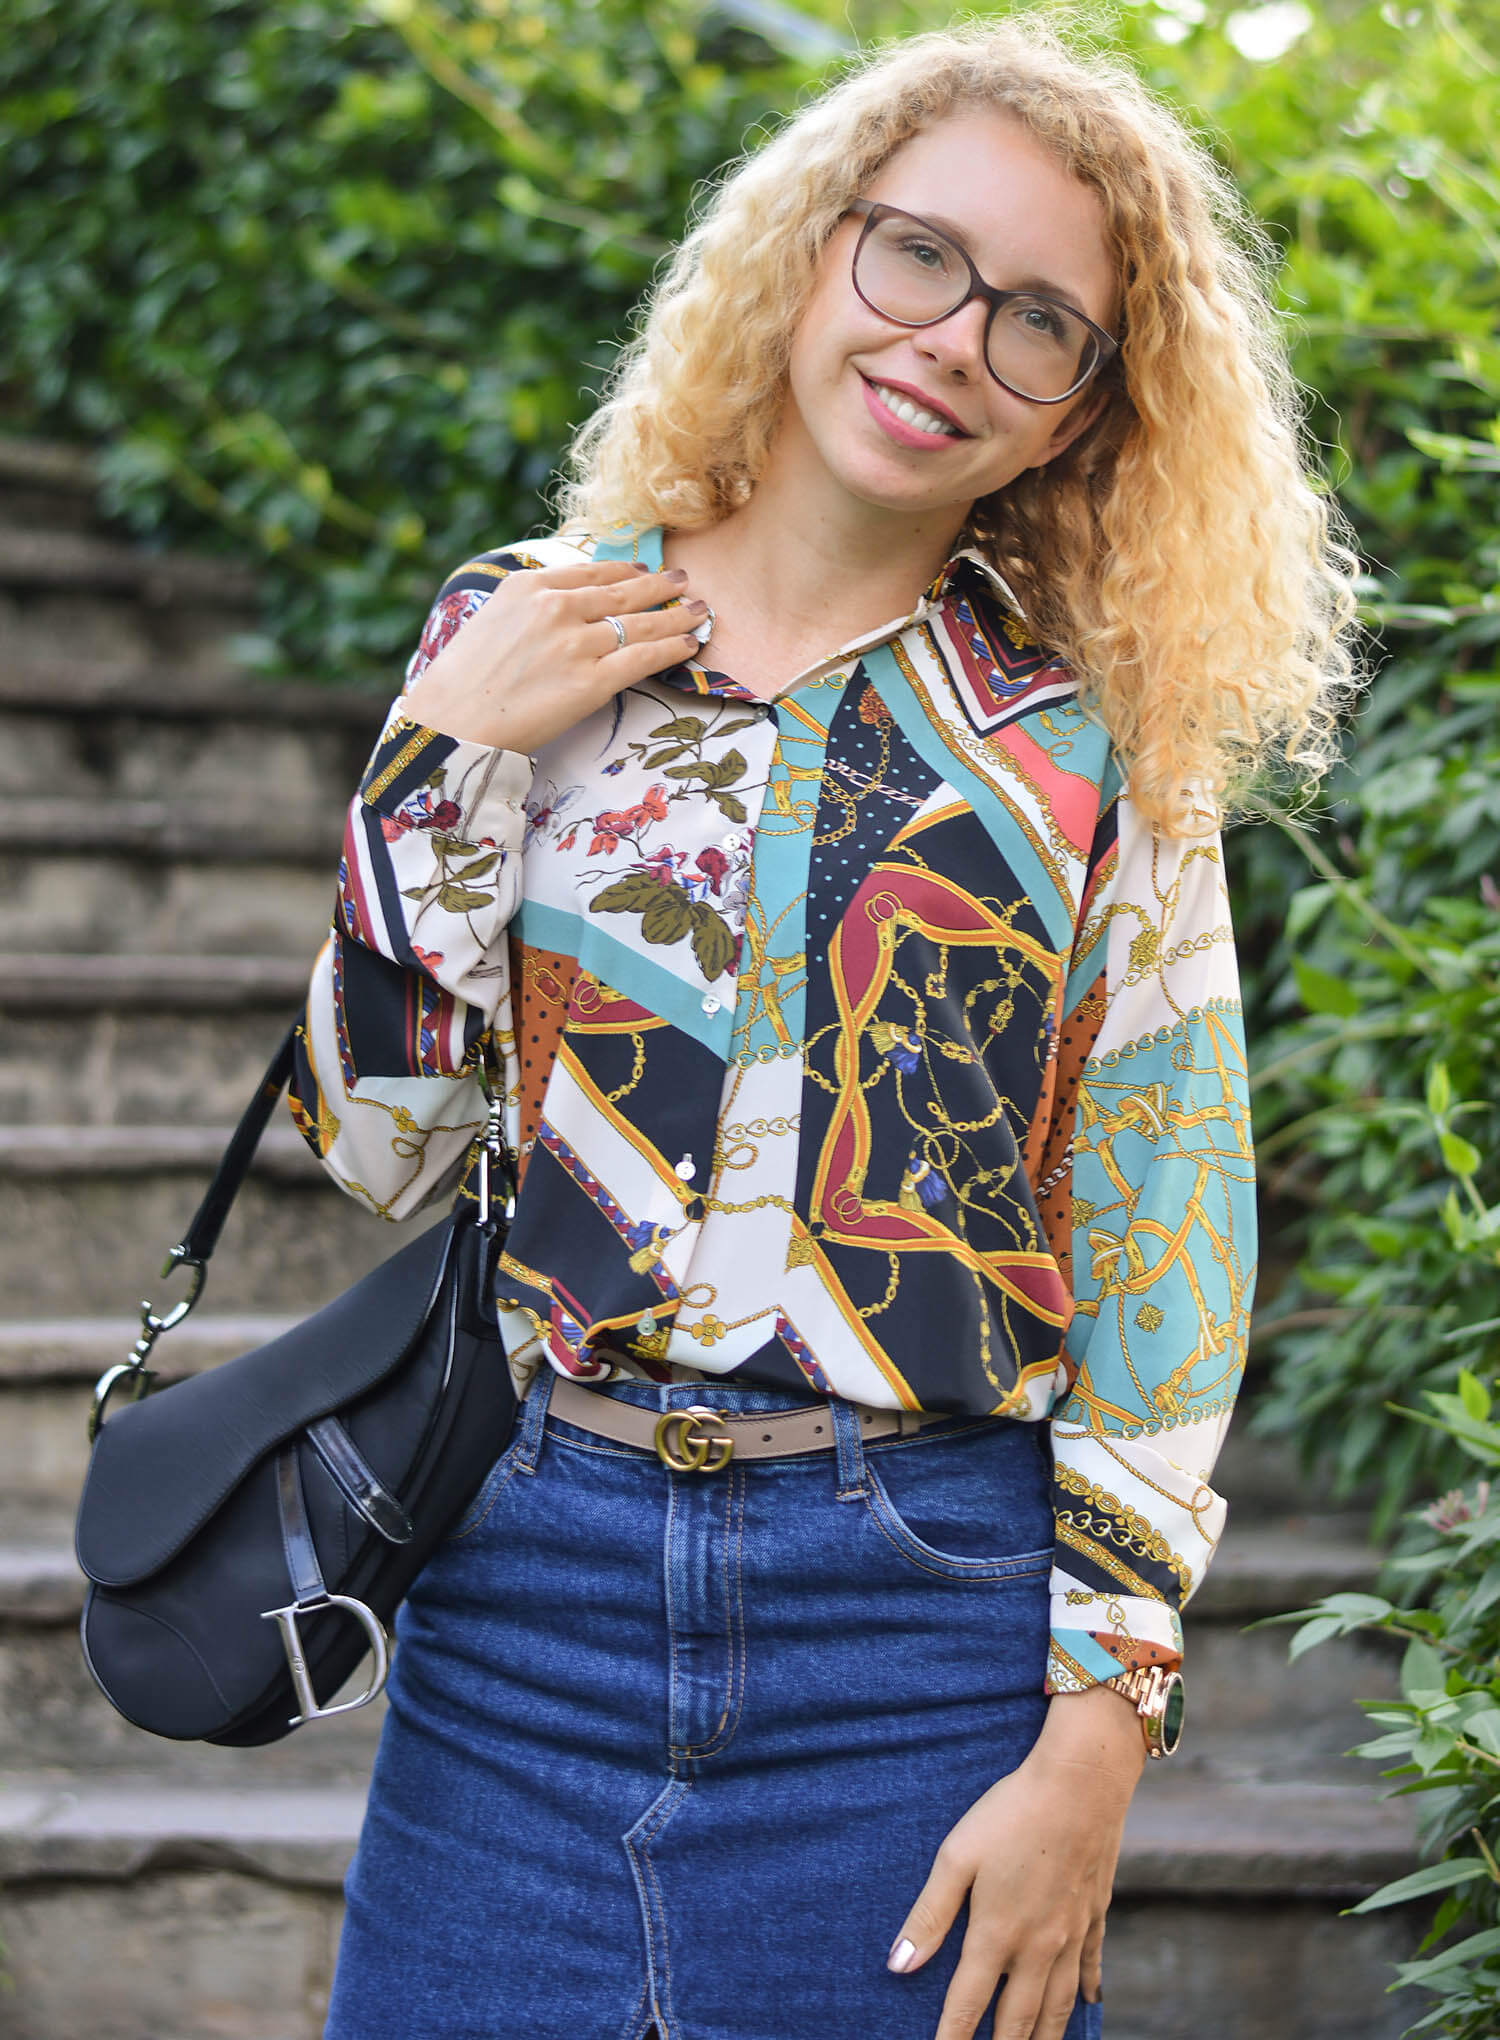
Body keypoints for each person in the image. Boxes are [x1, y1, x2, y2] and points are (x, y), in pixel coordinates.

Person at [289, 17, 1357, 2040]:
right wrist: (432, 771)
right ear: (809, 252)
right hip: (524, 1606)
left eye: (1044, 322)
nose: (957, 338)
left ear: (1079, 416)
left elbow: (1168, 1237)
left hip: (922, 1640)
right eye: (920, 257)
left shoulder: (1094, 755)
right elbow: (383, 1154)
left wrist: (1101, 1733)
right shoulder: (529, 626)